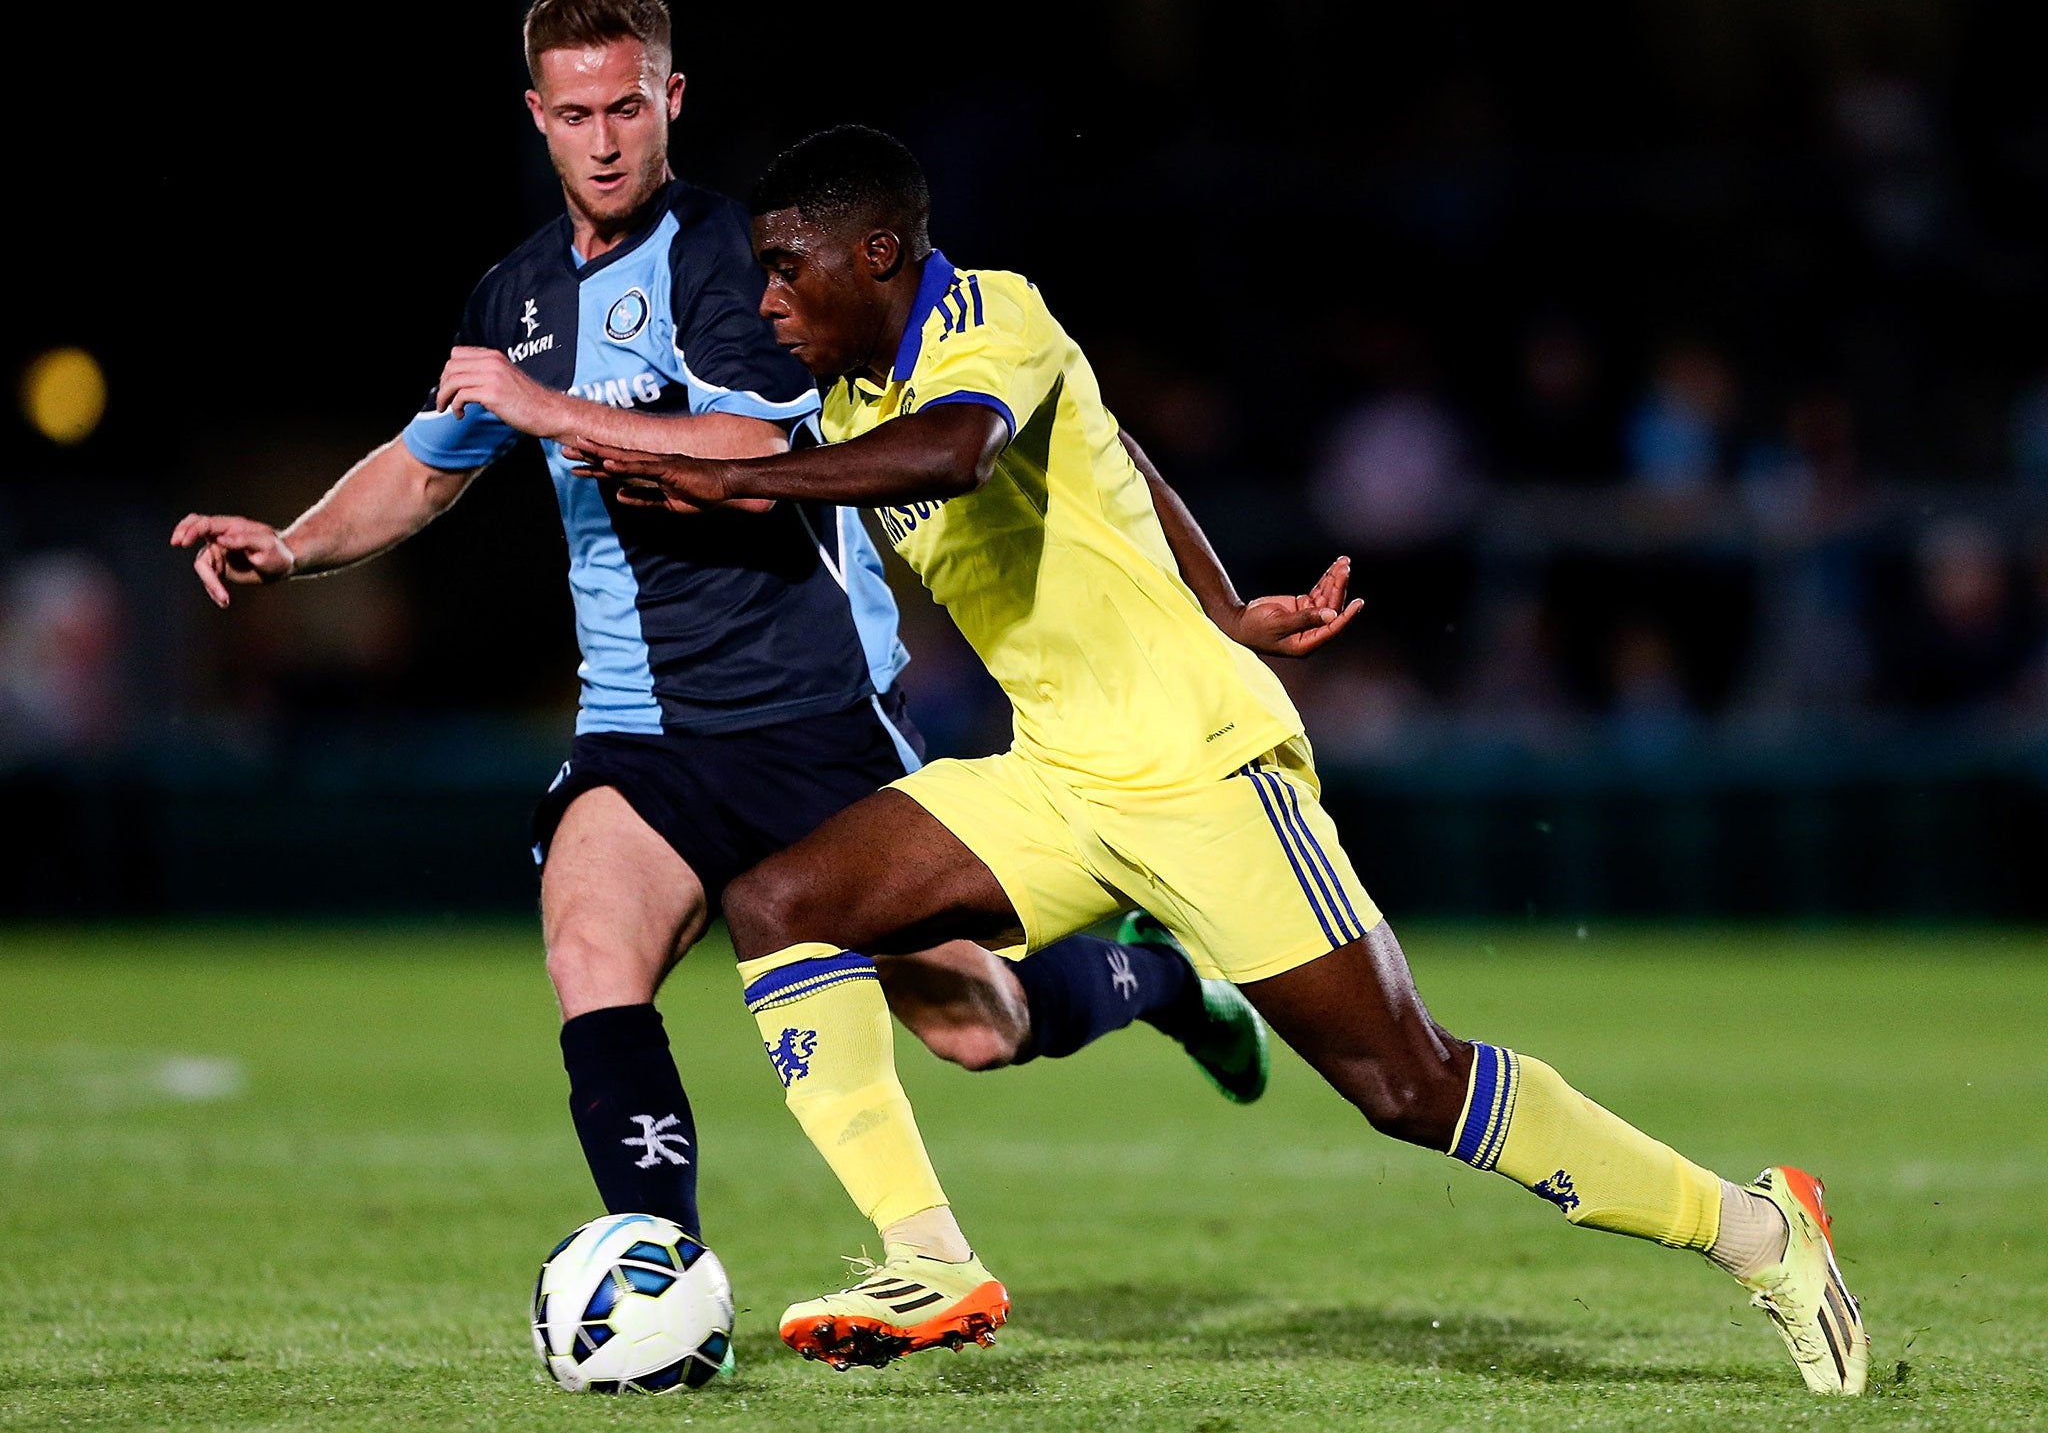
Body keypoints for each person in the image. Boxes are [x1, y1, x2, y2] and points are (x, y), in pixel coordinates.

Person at [546, 125, 1869, 1395]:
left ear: (879, 253)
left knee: (1409, 1088)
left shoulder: (986, 321)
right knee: (784, 904)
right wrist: (1227, 597)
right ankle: (929, 1262)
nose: (769, 294)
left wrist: (747, 487)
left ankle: (1758, 1233)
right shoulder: (851, 390)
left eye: (790, 265)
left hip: (1201, 768)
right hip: (1058, 773)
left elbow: (966, 450)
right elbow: (1113, 442)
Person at [167, 0, 1287, 1295]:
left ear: (670, 101)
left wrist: (553, 413)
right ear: (536, 116)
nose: (601, 138)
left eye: (625, 107)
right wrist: (294, 547)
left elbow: (762, 447)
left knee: (975, 1025)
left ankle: (1160, 988)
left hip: (811, 718)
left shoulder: (744, 260)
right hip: (640, 728)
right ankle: (661, 1278)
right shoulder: (516, 295)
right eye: (574, 112)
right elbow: (428, 463)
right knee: (589, 945)